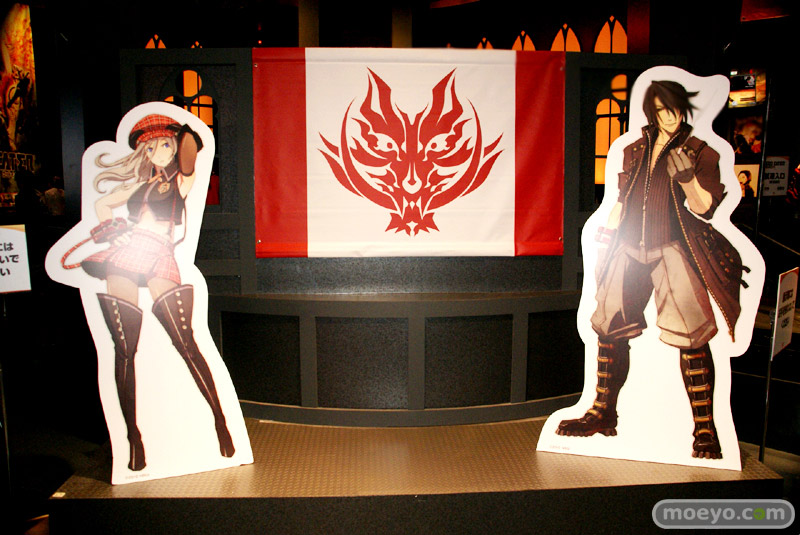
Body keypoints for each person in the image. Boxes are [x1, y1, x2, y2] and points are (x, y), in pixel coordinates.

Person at [556, 81, 746, 460]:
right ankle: (602, 412)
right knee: (609, 326)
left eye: (672, 108)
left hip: (673, 246)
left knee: (692, 334)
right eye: (660, 109)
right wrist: (607, 238)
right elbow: (621, 200)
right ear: (651, 112)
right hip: (628, 247)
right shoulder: (635, 149)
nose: (668, 116)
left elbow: (705, 208)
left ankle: (705, 428)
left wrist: (688, 179)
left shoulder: (700, 151)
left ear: (682, 108)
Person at [80, 114, 234, 471]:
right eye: (151, 147)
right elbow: (103, 205)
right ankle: (133, 438)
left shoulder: (181, 179)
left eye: (165, 144)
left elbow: (191, 152)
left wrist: (182, 135)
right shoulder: (139, 184)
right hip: (128, 252)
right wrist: (113, 230)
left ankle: (220, 421)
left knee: (185, 341)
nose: (160, 152)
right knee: (124, 347)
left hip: (161, 253)